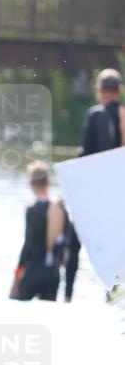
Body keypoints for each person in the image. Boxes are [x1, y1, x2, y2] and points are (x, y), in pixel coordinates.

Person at [64, 68, 125, 301]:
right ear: (118, 91)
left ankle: (68, 295)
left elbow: (84, 156)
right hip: (117, 194)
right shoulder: (123, 116)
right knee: (117, 249)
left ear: (99, 90)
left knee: (74, 244)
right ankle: (112, 294)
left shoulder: (94, 115)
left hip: (92, 192)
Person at [10, 161, 68, 302]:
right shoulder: (60, 207)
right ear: (47, 181)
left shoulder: (33, 209)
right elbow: (66, 240)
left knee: (18, 309)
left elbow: (29, 243)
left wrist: (18, 272)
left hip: (33, 270)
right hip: (53, 273)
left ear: (31, 184)